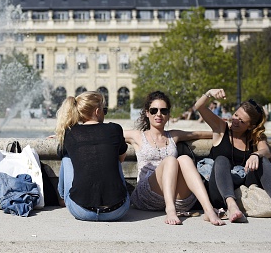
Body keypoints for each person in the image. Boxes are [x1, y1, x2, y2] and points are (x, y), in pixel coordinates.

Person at [194, 89, 271, 224]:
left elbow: (266, 151)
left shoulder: (254, 137)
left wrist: (256, 154)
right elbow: (199, 107)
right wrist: (209, 93)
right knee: (221, 159)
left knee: (262, 159)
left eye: (241, 121)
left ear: (251, 126)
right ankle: (232, 206)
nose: (235, 120)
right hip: (219, 191)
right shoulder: (221, 128)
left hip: (244, 186)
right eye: (235, 115)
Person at [124, 91, 224, 226]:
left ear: (168, 114)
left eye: (163, 111)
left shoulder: (173, 136)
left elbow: (201, 133)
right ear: (147, 113)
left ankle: (209, 210)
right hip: (147, 195)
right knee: (171, 160)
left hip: (178, 199)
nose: (159, 114)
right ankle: (170, 210)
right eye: (154, 110)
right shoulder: (137, 136)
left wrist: (229, 130)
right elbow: (110, 132)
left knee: (184, 159)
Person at [55, 91, 130, 221]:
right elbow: (121, 159)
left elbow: (59, 153)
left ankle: (62, 198)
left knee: (67, 157)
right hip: (118, 210)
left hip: (81, 210)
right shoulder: (114, 129)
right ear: (97, 111)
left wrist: (63, 139)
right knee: (116, 157)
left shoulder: (70, 133)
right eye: (104, 110)